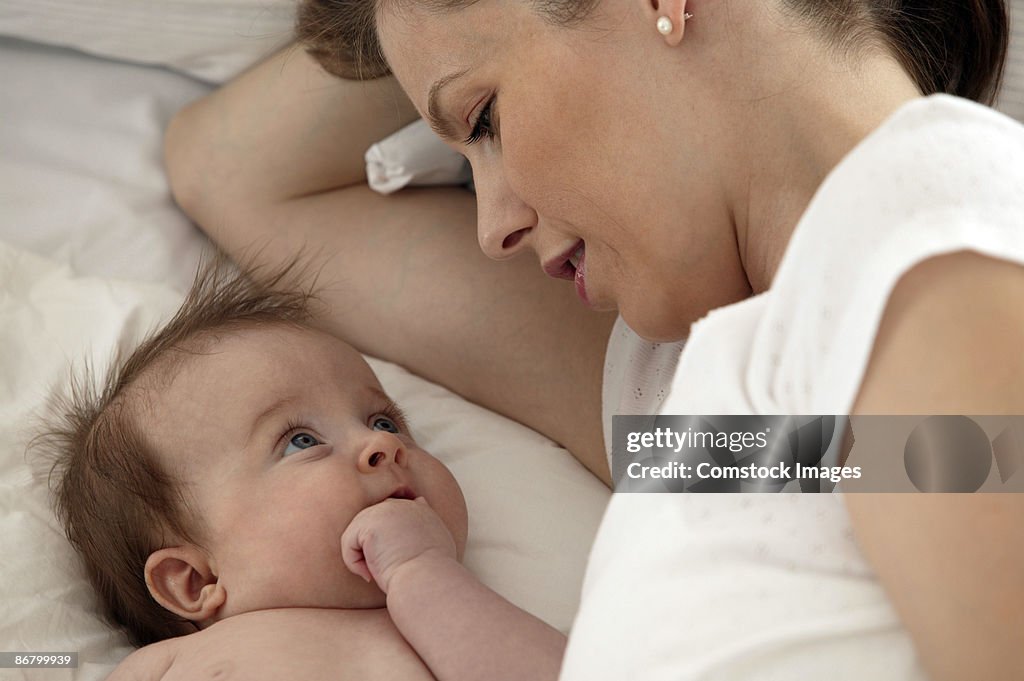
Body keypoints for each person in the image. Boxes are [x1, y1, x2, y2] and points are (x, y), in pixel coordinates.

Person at [165, 1, 1024, 679]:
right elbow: (230, 171)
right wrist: (438, 41)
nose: (490, 225)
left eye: (486, 120)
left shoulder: (930, 251)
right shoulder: (704, 402)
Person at [39, 259, 566, 681]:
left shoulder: (441, 622)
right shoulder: (161, 666)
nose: (380, 443)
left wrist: (424, 573)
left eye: (384, 419)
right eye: (302, 441)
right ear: (196, 580)